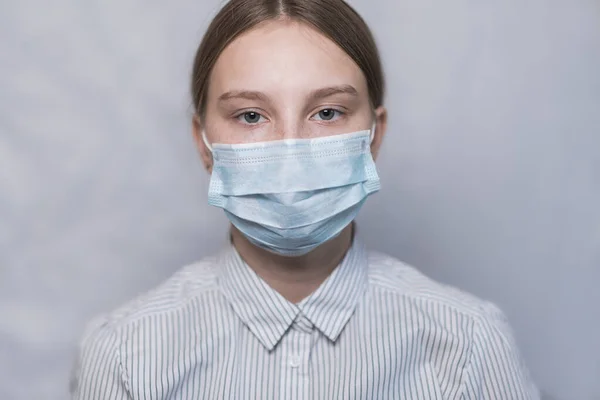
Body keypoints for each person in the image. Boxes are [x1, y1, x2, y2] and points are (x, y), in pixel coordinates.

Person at [71, 0, 540, 398]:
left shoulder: (469, 344)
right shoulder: (125, 356)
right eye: (251, 115)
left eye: (328, 112)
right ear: (203, 143)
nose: (290, 148)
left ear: (373, 138)